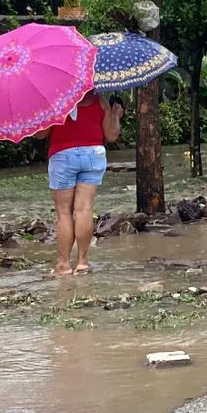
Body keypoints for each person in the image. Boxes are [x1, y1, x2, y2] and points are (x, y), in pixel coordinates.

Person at [35, 91, 124, 276]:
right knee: (84, 209)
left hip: (62, 155)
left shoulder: (56, 98)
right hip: (93, 154)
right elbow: (111, 135)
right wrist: (116, 114)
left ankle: (64, 265)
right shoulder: (100, 101)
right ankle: (83, 263)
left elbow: (41, 134)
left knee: (64, 212)